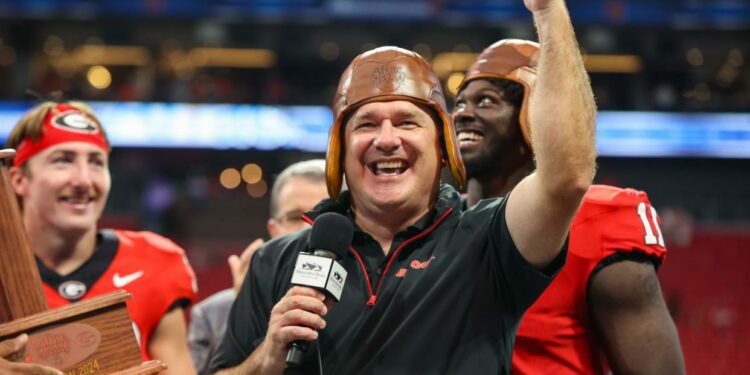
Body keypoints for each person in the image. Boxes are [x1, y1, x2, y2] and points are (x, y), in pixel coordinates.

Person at [209, 0, 596, 372]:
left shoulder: (489, 239)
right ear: (339, 152)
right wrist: (267, 356)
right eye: (366, 124)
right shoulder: (275, 261)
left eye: (407, 122)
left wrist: (549, 11)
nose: (387, 139)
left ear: (443, 147)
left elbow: (566, 179)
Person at [453, 39, 686, 374]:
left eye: (486, 101)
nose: (463, 114)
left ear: (537, 114)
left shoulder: (595, 221)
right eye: (459, 103)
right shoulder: (433, 223)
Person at [6, 101, 198, 374]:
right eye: (63, 160)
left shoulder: (154, 262)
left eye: (96, 162)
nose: (84, 180)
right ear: (18, 179)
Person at [188, 159, 328, 374]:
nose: (307, 230)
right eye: (295, 217)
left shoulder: (364, 295)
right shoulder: (212, 314)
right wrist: (244, 306)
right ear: (273, 230)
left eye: (321, 219)